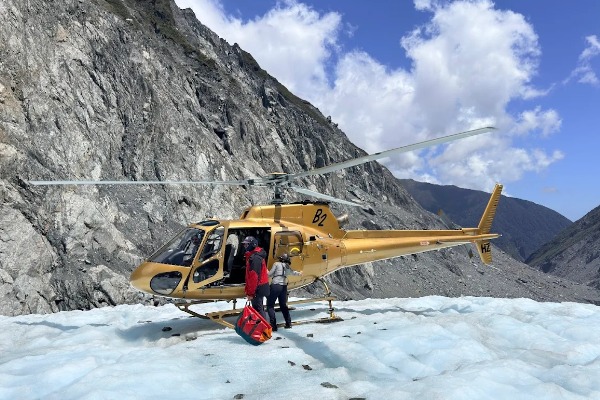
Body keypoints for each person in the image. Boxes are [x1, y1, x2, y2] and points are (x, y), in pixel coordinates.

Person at [267, 253, 301, 330]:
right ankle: (288, 323)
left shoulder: (276, 264)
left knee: (270, 305)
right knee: (283, 305)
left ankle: (273, 326)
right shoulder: (287, 266)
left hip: (275, 285)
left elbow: (270, 274)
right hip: (283, 287)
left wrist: (266, 271)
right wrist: (300, 273)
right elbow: (293, 273)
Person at [242, 236, 270, 320]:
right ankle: (261, 328)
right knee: (259, 308)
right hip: (260, 286)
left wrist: (251, 293)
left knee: (258, 309)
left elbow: (254, 278)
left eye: (246, 245)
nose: (245, 247)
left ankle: (263, 330)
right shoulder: (255, 255)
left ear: (252, 245)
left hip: (258, 288)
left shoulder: (255, 258)